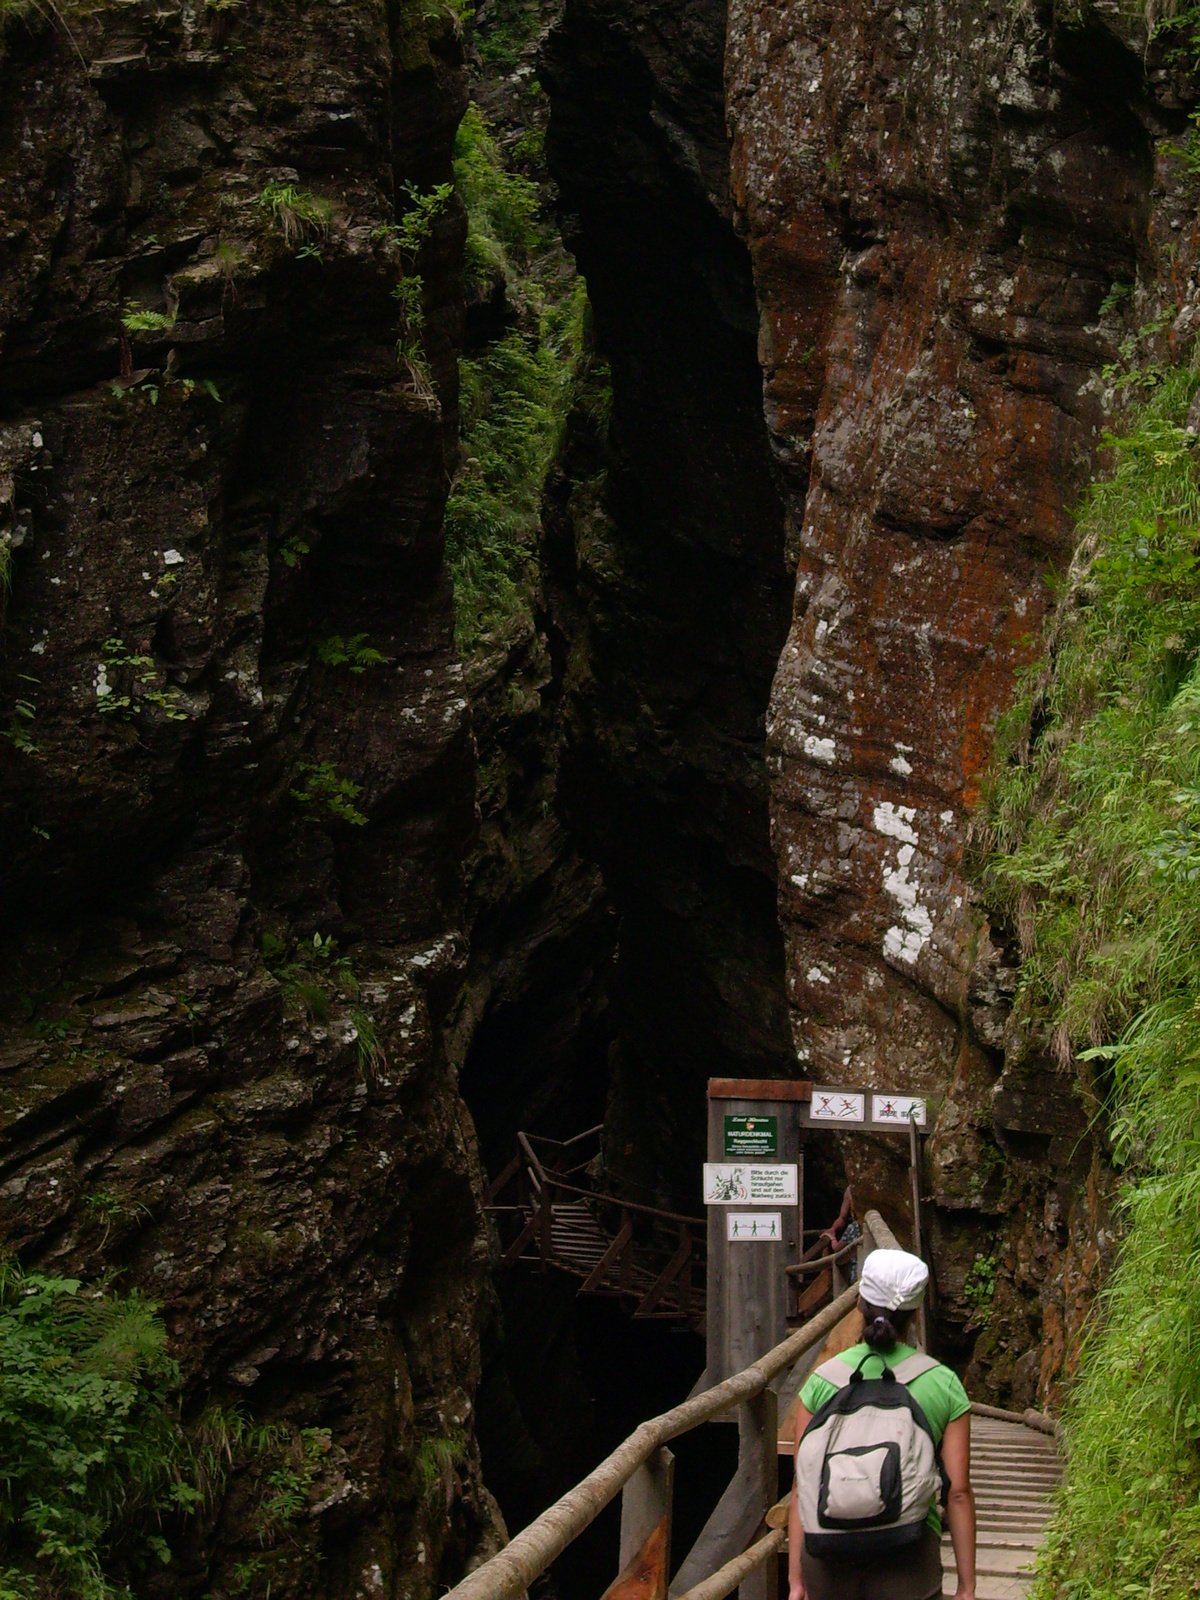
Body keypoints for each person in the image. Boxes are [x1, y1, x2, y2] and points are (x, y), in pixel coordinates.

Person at [788, 1249, 975, 1600]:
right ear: (916, 1312)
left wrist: (796, 1582)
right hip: (908, 1554)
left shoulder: (822, 1381)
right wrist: (967, 1587)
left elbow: (803, 1484)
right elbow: (958, 1491)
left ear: (859, 1303)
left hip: (827, 1556)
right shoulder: (942, 1382)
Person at [820, 1186, 862, 1283]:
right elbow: (842, 1217)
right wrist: (833, 1229)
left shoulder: (853, 1228)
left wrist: (832, 1239)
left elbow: (837, 1249)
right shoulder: (850, 1189)